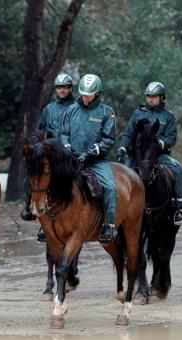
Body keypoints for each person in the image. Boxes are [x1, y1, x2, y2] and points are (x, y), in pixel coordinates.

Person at [117, 81, 182, 225]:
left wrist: (161, 143)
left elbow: (171, 137)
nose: (150, 99)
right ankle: (116, 212)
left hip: (158, 155)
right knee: (120, 176)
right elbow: (128, 134)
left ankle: (178, 209)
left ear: (162, 98)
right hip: (137, 156)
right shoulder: (138, 114)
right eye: (148, 96)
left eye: (154, 97)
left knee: (178, 171)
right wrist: (122, 148)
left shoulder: (168, 116)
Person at [60, 74, 118, 244]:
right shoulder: (71, 109)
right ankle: (49, 223)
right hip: (72, 159)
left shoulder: (107, 112)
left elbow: (108, 139)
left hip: (95, 162)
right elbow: (63, 133)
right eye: (83, 94)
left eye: (88, 94)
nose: (85, 97)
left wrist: (92, 152)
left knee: (110, 188)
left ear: (97, 93)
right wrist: (66, 146)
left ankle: (109, 224)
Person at [21, 73, 76, 226]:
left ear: (70, 88)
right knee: (31, 178)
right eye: (59, 87)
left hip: (67, 154)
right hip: (49, 154)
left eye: (65, 87)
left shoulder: (77, 108)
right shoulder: (49, 109)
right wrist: (33, 138)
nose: (62, 90)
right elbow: (41, 129)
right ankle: (29, 208)